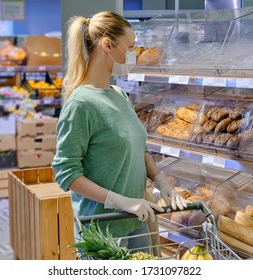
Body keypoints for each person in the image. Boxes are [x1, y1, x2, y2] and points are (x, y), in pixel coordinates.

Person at [51, 11, 187, 252]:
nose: (134, 53)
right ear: (108, 45)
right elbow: (66, 173)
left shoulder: (120, 95)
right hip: (103, 231)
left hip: (137, 221)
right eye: (131, 46)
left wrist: (161, 180)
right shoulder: (81, 104)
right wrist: (120, 201)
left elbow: (140, 148)